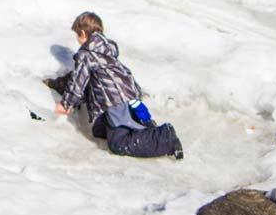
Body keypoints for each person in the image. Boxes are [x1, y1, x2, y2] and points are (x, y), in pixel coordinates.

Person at [54, 11, 183, 159]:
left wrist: (66, 104)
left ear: (82, 33)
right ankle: (151, 130)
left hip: (116, 101)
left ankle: (165, 138)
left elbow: (78, 81)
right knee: (119, 129)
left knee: (119, 143)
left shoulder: (86, 54)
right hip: (130, 97)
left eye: (77, 35)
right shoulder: (107, 50)